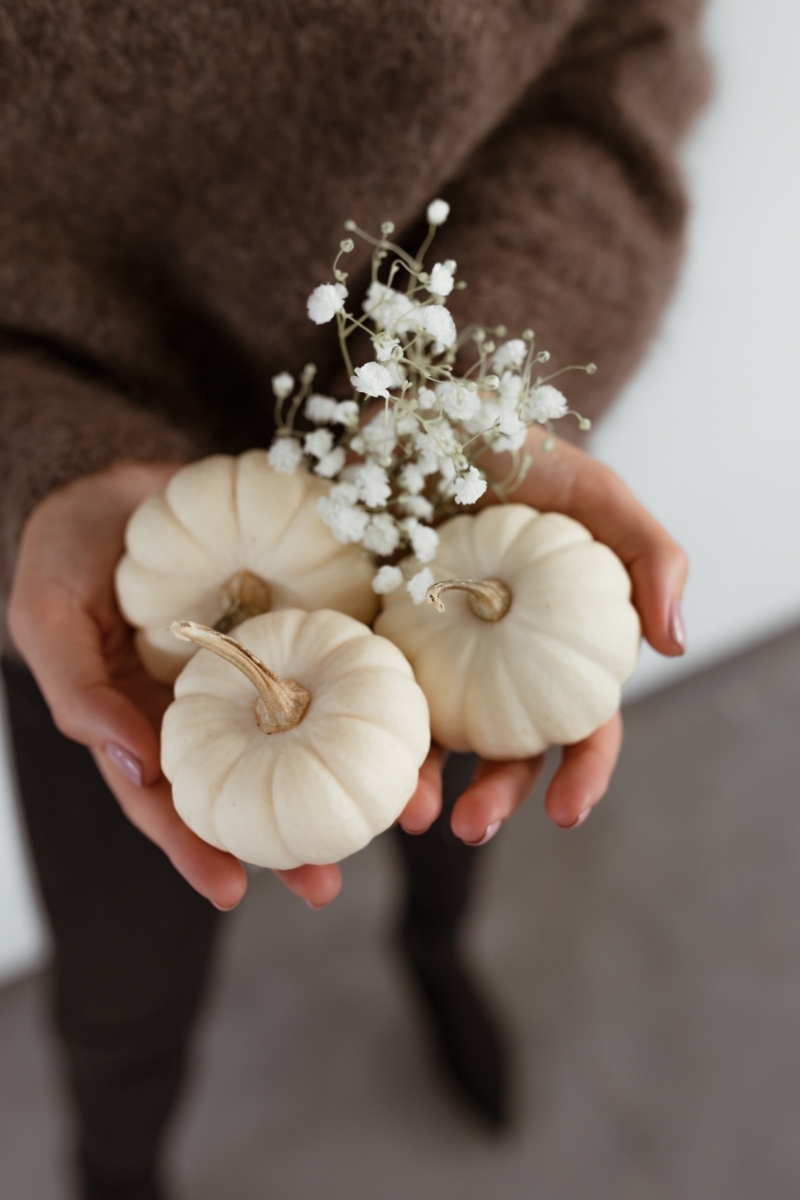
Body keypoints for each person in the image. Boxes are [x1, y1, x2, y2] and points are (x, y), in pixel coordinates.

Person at [0, 2, 708, 1196]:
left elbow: (620, 62)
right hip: (112, 629)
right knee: (124, 974)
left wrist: (461, 399)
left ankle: (434, 955)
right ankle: (117, 1167)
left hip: (423, 526)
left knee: (455, 807)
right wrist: (30, 467)